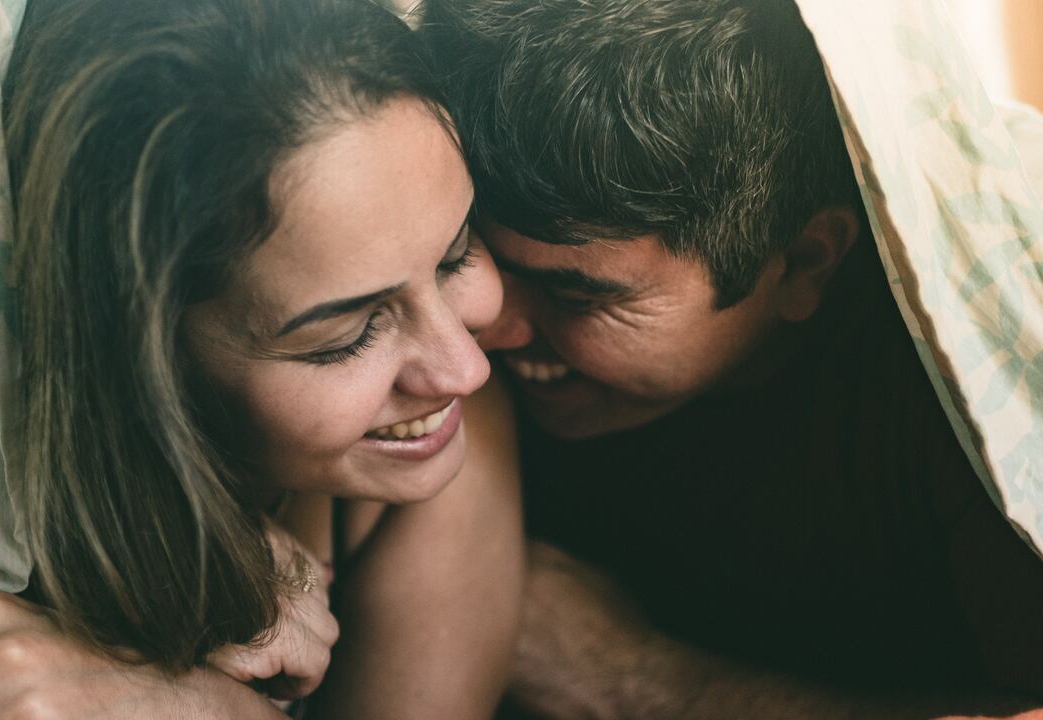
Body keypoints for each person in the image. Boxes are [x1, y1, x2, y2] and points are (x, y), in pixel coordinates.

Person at [0, 0, 522, 718]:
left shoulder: (430, 432)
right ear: (144, 359)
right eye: (345, 336)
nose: (465, 368)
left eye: (456, 255)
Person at [420, 0, 1043, 716]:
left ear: (803, 263)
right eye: (465, 258)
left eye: (574, 295)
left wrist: (635, 680)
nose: (480, 335)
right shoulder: (454, 353)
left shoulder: (979, 363)